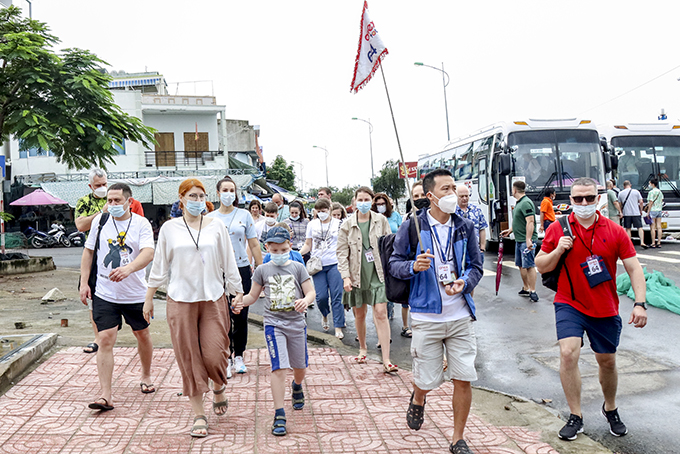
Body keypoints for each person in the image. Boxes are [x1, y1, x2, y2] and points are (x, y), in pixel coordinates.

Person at [535, 177, 647, 441]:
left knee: (606, 361)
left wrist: (640, 304)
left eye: (589, 198)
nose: (583, 203)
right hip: (569, 302)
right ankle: (576, 416)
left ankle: (610, 408)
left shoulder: (614, 230)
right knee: (567, 353)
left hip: (605, 306)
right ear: (570, 200)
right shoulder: (558, 228)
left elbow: (634, 267)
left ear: (598, 199)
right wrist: (558, 251)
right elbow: (541, 264)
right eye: (577, 199)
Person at [389, 169, 483, 454]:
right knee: (427, 379)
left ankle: (458, 438)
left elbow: (476, 267)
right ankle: (419, 397)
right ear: (430, 196)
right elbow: (394, 263)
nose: (452, 193)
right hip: (426, 315)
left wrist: (464, 282)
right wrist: (412, 266)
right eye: (446, 189)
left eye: (453, 187)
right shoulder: (413, 227)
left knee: (463, 377)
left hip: (460, 316)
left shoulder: (465, 226)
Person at [144, 178, 243, 438]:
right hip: (180, 300)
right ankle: (199, 414)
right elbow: (159, 266)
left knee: (214, 354)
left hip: (212, 298)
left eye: (201, 196)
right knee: (189, 359)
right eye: (193, 196)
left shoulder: (217, 226)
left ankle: (219, 385)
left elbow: (228, 261)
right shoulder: (169, 228)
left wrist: (237, 291)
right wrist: (149, 296)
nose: (197, 201)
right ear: (182, 199)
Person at [78, 183, 155, 412]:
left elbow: (148, 253)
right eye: (109, 201)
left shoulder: (141, 224)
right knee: (105, 339)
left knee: (142, 333)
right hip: (105, 292)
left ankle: (146, 374)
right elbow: (88, 251)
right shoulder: (100, 222)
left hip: (135, 293)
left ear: (129, 202)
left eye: (117, 201)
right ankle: (105, 395)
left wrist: (129, 269)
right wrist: (84, 283)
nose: (112, 205)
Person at [233, 226, 316, 436]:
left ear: (290, 245)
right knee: (278, 368)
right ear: (267, 247)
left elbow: (310, 292)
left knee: (300, 367)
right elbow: (253, 296)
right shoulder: (262, 270)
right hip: (273, 324)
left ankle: (297, 386)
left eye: (283, 249)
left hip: (296, 324)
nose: (279, 253)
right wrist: (241, 302)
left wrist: (304, 301)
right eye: (274, 250)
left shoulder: (298, 267)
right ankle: (279, 413)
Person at [337, 186, 397, 372]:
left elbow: (389, 246)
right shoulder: (347, 224)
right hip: (356, 275)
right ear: (354, 201)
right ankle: (362, 348)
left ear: (371, 201)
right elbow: (341, 253)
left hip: (378, 274)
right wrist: (345, 277)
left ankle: (386, 359)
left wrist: (392, 271)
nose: (363, 203)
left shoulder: (381, 221)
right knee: (360, 314)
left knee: (381, 312)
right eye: (359, 199)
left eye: (366, 199)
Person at [208, 177, 263, 377]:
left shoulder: (244, 215)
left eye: (232, 190)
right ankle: (226, 356)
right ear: (218, 193)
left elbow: (254, 244)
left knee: (240, 313)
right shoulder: (211, 218)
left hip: (240, 268)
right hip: (218, 270)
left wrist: (261, 269)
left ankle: (239, 355)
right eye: (225, 190)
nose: (228, 193)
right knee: (221, 315)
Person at [300, 198, 345, 337]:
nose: (321, 214)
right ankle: (325, 314)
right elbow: (308, 244)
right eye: (318, 211)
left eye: (324, 211)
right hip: (317, 265)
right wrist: (297, 253)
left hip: (335, 263)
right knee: (321, 297)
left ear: (329, 210)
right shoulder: (312, 224)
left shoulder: (339, 224)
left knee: (337, 296)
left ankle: (338, 326)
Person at [76, 168, 109, 355]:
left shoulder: (116, 198)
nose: (103, 188)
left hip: (115, 253)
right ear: (91, 186)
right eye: (98, 185)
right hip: (92, 255)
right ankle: (98, 338)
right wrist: (101, 214)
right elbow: (80, 225)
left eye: (105, 184)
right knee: (92, 297)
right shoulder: (84, 202)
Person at [501, 180, 539, 302]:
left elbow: (530, 222)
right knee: (521, 264)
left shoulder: (526, 203)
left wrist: (528, 239)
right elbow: (520, 221)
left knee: (529, 265)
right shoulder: (519, 203)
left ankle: (533, 290)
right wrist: (510, 230)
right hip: (519, 238)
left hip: (525, 240)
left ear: (515, 190)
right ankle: (526, 287)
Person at [454, 185, 488, 253]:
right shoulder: (452, 212)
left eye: (466, 196)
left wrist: (482, 248)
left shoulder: (476, 210)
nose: (464, 198)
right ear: (456, 196)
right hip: (458, 251)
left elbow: (482, 229)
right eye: (461, 196)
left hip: (475, 250)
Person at [618, 180, 647, 248]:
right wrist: (641, 210)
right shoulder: (636, 192)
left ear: (623, 186)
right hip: (636, 212)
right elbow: (641, 202)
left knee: (628, 228)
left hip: (626, 213)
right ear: (630, 185)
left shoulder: (621, 193)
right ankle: (642, 242)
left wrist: (620, 212)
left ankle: (629, 243)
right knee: (639, 227)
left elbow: (619, 204)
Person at [646, 178, 664, 248]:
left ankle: (653, 242)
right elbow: (662, 200)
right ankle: (659, 242)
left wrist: (648, 212)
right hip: (659, 210)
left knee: (652, 227)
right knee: (659, 227)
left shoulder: (651, 192)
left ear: (653, 184)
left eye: (650, 183)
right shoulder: (660, 192)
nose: (649, 185)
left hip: (653, 210)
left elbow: (650, 202)